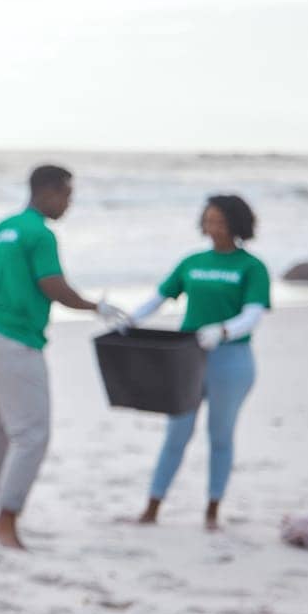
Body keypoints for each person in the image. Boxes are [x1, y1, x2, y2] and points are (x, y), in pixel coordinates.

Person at [0, 164, 124, 550]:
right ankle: (6, 522)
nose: (69, 204)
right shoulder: (40, 233)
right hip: (16, 339)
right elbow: (51, 284)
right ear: (50, 191)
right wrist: (93, 307)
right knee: (31, 435)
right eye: (67, 195)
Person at [126, 195, 269, 530]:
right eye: (208, 220)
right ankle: (152, 506)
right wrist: (131, 319)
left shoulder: (251, 267)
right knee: (176, 432)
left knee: (220, 435)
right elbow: (160, 296)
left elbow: (253, 313)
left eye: (219, 220)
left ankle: (212, 509)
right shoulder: (191, 262)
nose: (212, 227)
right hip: (187, 358)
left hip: (231, 360)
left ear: (236, 223)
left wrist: (223, 331)